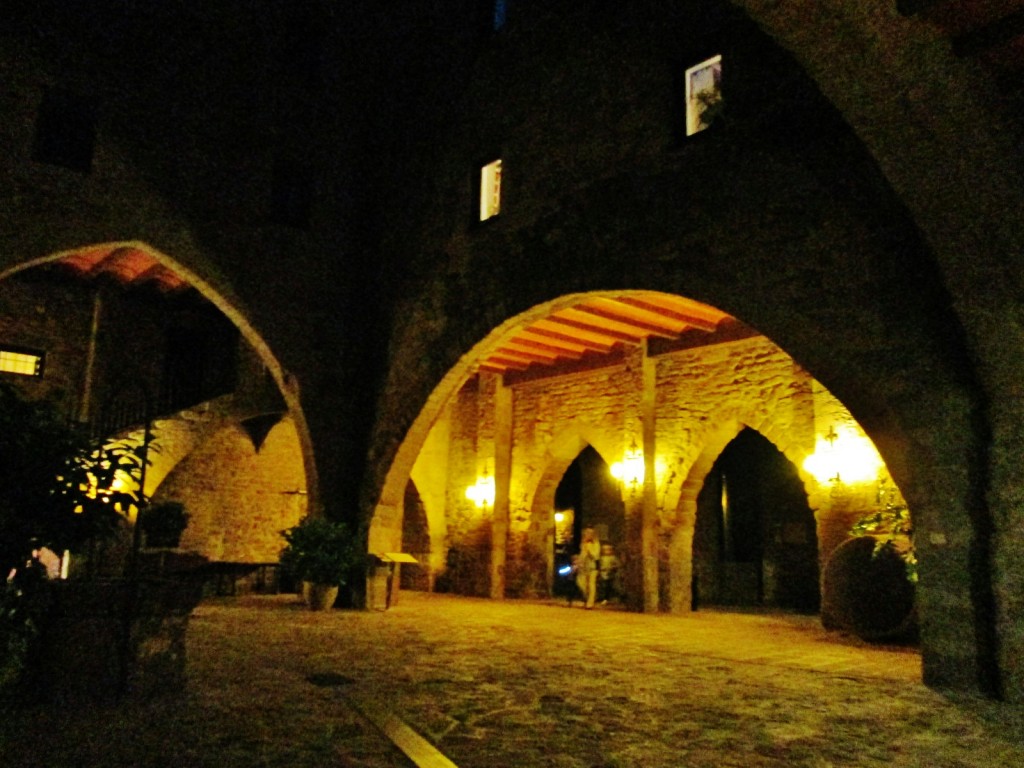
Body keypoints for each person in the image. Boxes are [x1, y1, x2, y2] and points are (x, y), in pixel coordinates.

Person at [575, 527, 601, 608]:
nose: (587, 535)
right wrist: (578, 562)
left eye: (589, 533)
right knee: (581, 583)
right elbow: (582, 555)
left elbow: (596, 556)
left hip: (592, 567)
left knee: (591, 584)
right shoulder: (583, 544)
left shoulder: (596, 544)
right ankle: (587, 598)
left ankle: (590, 602)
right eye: (586, 533)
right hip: (583, 567)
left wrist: (589, 550)